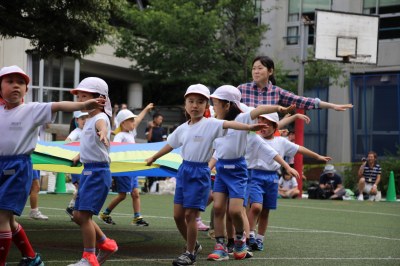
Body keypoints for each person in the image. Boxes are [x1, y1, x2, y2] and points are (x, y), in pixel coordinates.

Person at [145, 84, 270, 266]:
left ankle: (189, 253)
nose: (195, 105)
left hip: (200, 172)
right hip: (184, 171)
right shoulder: (182, 128)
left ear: (206, 106)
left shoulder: (211, 124)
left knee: (190, 214)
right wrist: (154, 157)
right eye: (191, 101)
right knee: (178, 215)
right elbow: (170, 145)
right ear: (185, 104)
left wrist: (248, 127)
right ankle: (194, 245)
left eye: (200, 102)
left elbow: (229, 123)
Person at [0, 65, 105, 266]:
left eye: (20, 82)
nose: (16, 86)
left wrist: (84, 106)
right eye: (10, 81)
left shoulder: (31, 110)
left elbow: (58, 106)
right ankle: (31, 258)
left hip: (16, 168)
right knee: (7, 220)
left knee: (2, 218)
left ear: (26, 90)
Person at [206, 85, 295, 261]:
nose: (213, 106)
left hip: (238, 170)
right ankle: (220, 247)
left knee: (235, 211)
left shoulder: (242, 117)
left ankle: (240, 242)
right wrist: (207, 167)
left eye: (216, 103)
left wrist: (279, 108)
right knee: (217, 208)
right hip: (222, 170)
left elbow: (260, 110)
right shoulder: (216, 123)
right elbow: (216, 150)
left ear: (228, 105)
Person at [246, 112, 331, 252]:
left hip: (272, 178)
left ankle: (260, 239)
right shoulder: (254, 138)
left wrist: (317, 156)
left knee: (266, 211)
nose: (263, 126)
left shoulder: (281, 141)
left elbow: (299, 149)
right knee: (255, 207)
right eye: (261, 122)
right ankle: (249, 236)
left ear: (275, 127)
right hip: (255, 175)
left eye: (267, 124)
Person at [68, 77, 118, 266]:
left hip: (98, 172)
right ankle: (106, 243)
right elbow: (89, 144)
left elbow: (102, 127)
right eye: (79, 96)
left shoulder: (99, 118)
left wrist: (104, 133)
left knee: (85, 216)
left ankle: (89, 257)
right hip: (88, 171)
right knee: (78, 216)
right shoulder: (88, 119)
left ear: (100, 99)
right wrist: (79, 156)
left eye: (84, 96)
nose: (80, 100)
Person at [99, 103, 153, 226]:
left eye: (133, 120)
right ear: (123, 123)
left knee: (135, 193)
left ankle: (137, 218)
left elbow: (139, 119)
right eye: (131, 121)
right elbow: (115, 149)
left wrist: (146, 108)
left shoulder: (130, 133)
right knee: (122, 195)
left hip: (132, 169)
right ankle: (105, 214)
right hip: (124, 169)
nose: (134, 122)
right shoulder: (120, 135)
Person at [237, 55, 353, 111]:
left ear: (270, 71)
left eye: (260, 68)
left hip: (268, 142)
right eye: (254, 68)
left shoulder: (277, 92)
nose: (256, 72)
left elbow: (302, 101)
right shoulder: (241, 89)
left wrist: (332, 106)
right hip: (245, 142)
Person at [65, 111, 89, 220]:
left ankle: (73, 208)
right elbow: (67, 141)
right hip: (77, 166)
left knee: (83, 188)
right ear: (76, 120)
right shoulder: (77, 132)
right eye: (82, 118)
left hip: (86, 166)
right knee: (81, 187)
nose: (85, 120)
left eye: (86, 117)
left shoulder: (89, 132)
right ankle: (73, 208)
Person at [143, 113, 168, 193]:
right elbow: (149, 138)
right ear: (155, 119)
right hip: (150, 152)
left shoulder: (162, 129)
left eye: (161, 119)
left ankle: (160, 188)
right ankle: (149, 187)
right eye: (159, 119)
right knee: (150, 171)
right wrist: (151, 128)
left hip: (160, 153)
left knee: (161, 170)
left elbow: (165, 141)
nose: (161, 121)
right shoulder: (148, 128)